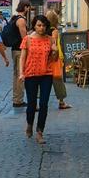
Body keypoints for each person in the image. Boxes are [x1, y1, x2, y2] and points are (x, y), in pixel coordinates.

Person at [21, 15, 59, 144]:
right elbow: (22, 57)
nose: (41, 28)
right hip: (31, 74)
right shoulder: (28, 39)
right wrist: (21, 73)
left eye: (43, 25)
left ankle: (40, 131)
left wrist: (55, 51)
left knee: (44, 104)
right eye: (38, 25)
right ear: (34, 26)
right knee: (31, 104)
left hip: (46, 75)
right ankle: (30, 124)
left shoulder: (50, 40)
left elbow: (54, 59)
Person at [4, 0, 31, 107]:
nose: (29, 10)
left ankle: (16, 98)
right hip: (20, 51)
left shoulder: (14, 18)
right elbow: (24, 38)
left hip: (14, 50)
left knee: (16, 75)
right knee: (21, 75)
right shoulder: (21, 20)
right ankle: (18, 100)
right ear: (25, 7)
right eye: (28, 7)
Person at [45, 10, 72, 110]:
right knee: (58, 81)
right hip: (54, 58)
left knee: (43, 80)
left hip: (46, 58)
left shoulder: (44, 30)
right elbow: (54, 44)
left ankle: (39, 102)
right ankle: (61, 102)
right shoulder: (54, 31)